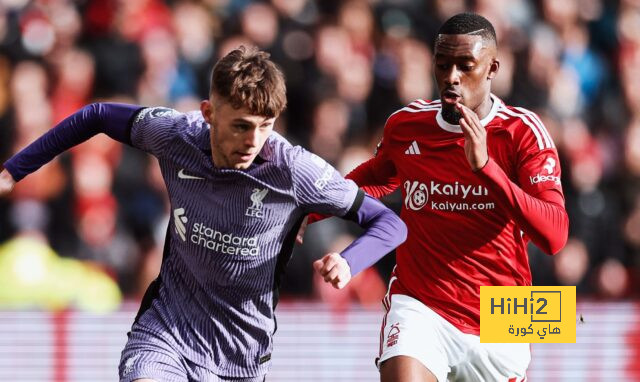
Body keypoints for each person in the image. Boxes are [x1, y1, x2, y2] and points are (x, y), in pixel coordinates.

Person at [0, 46, 407, 382]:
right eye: (241, 126)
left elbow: (390, 223)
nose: (253, 141)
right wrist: (14, 170)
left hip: (240, 357)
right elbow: (98, 115)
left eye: (265, 126)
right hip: (166, 332)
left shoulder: (295, 169)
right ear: (209, 112)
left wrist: (350, 260)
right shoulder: (175, 134)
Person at [301, 12, 569, 382]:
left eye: (465, 66)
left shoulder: (522, 132)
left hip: (503, 313)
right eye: (442, 65)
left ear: (493, 68)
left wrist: (486, 169)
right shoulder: (407, 125)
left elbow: (554, 236)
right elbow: (374, 180)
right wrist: (307, 213)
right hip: (422, 304)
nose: (451, 78)